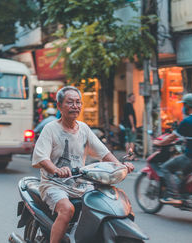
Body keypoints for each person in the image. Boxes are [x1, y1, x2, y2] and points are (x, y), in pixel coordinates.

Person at [32, 86, 134, 243]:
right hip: (54, 185)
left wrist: (119, 166)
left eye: (78, 102)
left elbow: (103, 153)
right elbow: (41, 157)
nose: (75, 106)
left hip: (82, 185)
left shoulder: (84, 129)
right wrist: (57, 170)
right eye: (70, 102)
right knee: (67, 210)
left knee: (112, 203)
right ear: (59, 106)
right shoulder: (50, 129)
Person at [153, 93, 192, 204]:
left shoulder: (187, 121)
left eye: (183, 105)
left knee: (165, 167)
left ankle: (173, 195)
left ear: (188, 107)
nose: (183, 108)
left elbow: (171, 138)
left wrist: (159, 143)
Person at [123, 93, 137, 159]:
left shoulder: (125, 105)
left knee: (127, 141)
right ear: (129, 98)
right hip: (130, 126)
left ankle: (127, 156)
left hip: (126, 126)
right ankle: (131, 156)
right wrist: (133, 126)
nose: (134, 99)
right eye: (133, 97)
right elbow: (130, 116)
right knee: (132, 141)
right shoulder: (130, 106)